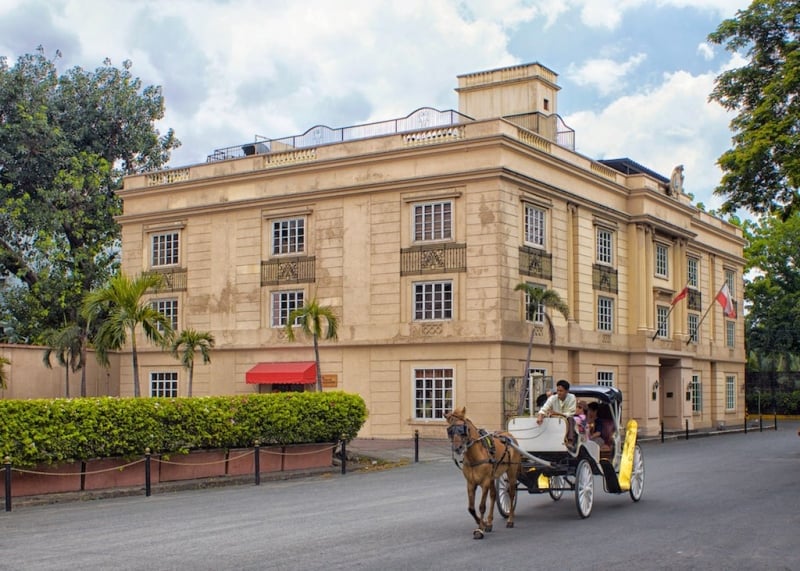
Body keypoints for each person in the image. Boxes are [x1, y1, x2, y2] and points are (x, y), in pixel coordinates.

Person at [536, 380, 577, 448]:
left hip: (566, 421)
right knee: (544, 419)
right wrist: (540, 416)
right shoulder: (553, 398)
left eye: (561, 391)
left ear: (567, 391)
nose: (559, 393)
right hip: (554, 420)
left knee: (570, 419)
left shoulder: (572, 397)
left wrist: (557, 413)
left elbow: (570, 413)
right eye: (558, 390)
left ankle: (570, 441)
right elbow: (544, 408)